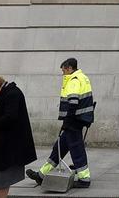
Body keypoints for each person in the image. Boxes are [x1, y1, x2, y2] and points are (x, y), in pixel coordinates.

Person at [27, 58, 95, 188]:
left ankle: (84, 179)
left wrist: (67, 121)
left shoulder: (74, 81)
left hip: (74, 120)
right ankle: (41, 175)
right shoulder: (83, 78)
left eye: (63, 70)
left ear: (69, 68)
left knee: (76, 149)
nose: (63, 73)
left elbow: (73, 102)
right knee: (59, 147)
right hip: (78, 119)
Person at [0, 75, 36, 198]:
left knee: (3, 177)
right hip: (6, 142)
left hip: (9, 144)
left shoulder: (12, 94)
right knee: (2, 177)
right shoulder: (7, 93)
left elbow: (11, 117)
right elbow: (5, 115)